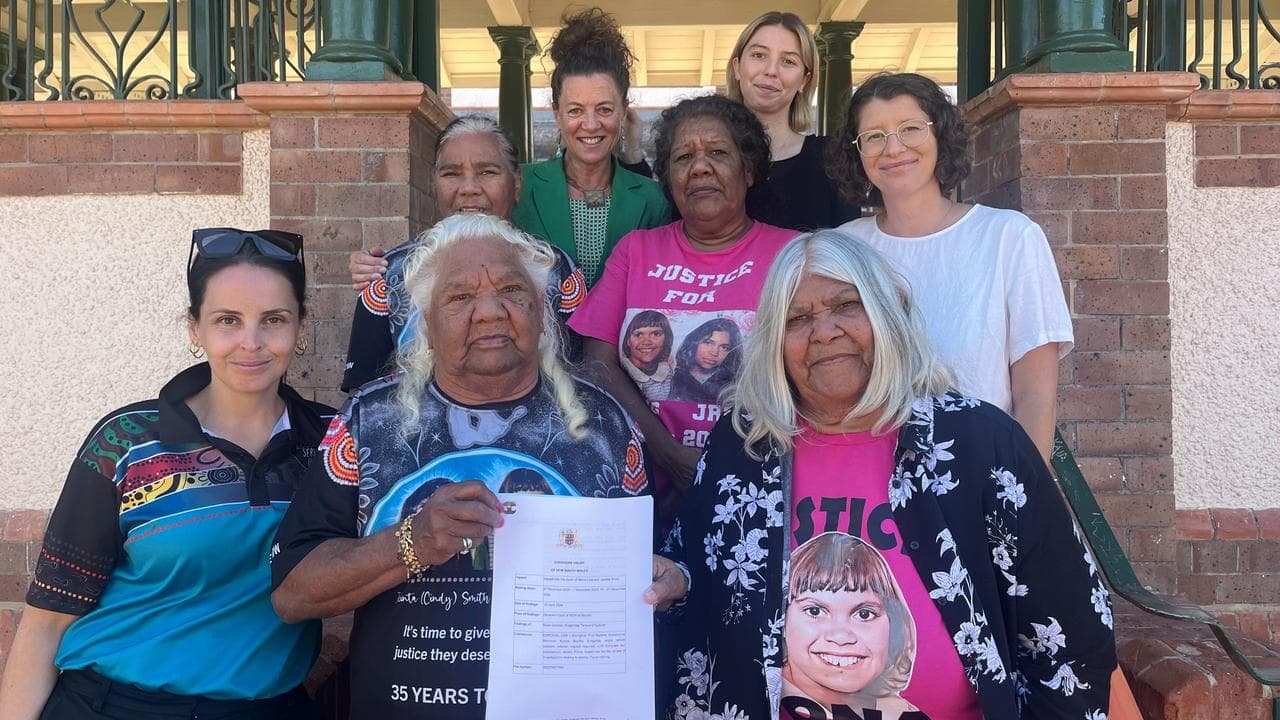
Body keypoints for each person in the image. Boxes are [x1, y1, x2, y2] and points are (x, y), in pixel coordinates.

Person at [646, 230, 1116, 719]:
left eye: (846, 306)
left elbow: (1070, 632)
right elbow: (697, 568)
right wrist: (677, 579)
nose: (824, 331)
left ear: (887, 314)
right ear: (775, 343)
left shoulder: (977, 443)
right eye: (798, 318)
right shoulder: (744, 444)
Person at [269, 214, 655, 720]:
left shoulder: (603, 424)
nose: (490, 312)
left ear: (542, 313)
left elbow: (655, 566)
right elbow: (293, 592)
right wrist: (412, 541)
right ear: (426, 325)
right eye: (460, 296)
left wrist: (670, 581)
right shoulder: (370, 422)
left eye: (511, 291)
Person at [0, 228, 333, 720]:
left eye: (274, 320)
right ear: (195, 329)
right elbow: (48, 618)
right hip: (113, 705)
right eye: (227, 320)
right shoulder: (126, 442)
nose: (251, 342)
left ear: (301, 326)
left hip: (267, 708)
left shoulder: (333, 442)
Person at [568, 94, 796, 526]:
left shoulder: (793, 253)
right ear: (668, 178)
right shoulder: (636, 251)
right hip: (642, 486)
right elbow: (596, 364)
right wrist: (668, 453)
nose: (700, 167)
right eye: (683, 157)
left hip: (761, 487)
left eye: (718, 153)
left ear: (748, 170)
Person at [828, 72, 1071, 462]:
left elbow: (1035, 396)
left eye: (910, 128)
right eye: (874, 136)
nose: (893, 148)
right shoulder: (841, 249)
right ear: (857, 153)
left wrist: (1023, 489)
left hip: (979, 473)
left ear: (940, 134)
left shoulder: (1008, 237)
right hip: (866, 475)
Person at [342, 115, 586, 391]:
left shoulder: (556, 270)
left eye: (487, 172)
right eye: (451, 174)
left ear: (516, 185)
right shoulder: (390, 275)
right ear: (434, 184)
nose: (469, 188)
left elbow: (580, 382)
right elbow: (364, 395)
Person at [625, 11, 858, 232]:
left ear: (804, 80)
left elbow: (851, 245)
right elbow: (663, 220)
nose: (771, 70)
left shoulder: (830, 158)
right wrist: (634, 156)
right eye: (759, 55)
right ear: (737, 67)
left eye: (788, 61)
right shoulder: (696, 157)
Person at [510, 7, 669, 284]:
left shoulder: (654, 200)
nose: (591, 124)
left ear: (624, 111)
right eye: (575, 111)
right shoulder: (519, 186)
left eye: (605, 109)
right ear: (557, 114)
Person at [783, 533, 919, 720]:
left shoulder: (904, 712)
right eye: (815, 611)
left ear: (894, 627)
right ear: (781, 622)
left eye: (864, 614)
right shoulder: (755, 702)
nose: (841, 637)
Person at [668, 317, 742, 404]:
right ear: (694, 343)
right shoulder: (672, 376)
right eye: (708, 343)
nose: (714, 353)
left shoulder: (734, 384)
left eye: (724, 347)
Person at [620, 309, 675, 401]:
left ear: (666, 339)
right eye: (638, 335)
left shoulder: (667, 371)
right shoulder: (619, 369)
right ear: (628, 341)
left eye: (656, 334)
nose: (646, 342)